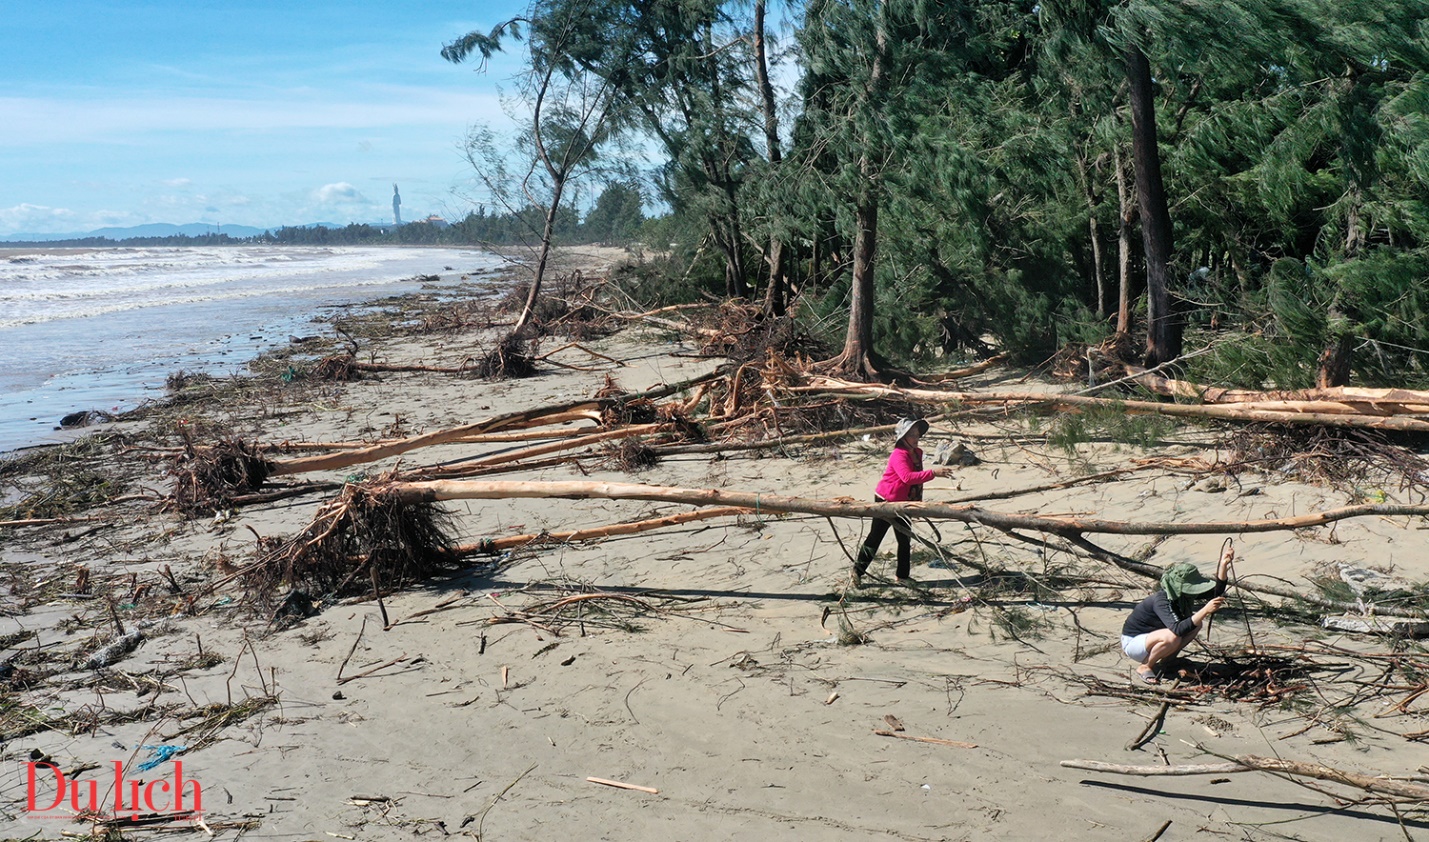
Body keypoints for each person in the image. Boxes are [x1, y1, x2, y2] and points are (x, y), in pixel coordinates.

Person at [851, 417, 954, 586]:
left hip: (905, 502)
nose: (916, 438)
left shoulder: (917, 453)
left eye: (917, 434)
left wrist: (916, 504)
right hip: (886, 501)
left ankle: (903, 576)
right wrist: (933, 473)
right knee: (875, 538)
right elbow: (907, 478)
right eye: (911, 435)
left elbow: (916, 483)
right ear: (903, 437)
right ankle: (857, 572)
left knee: (905, 539)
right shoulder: (898, 455)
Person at [1121, 545, 1235, 684]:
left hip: (1153, 639)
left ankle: (1168, 660)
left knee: (1196, 624)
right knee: (1172, 636)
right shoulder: (1162, 601)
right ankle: (1145, 666)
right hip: (1134, 643)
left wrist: (1223, 565)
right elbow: (1177, 629)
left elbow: (1216, 592)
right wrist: (1205, 610)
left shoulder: (1184, 595)